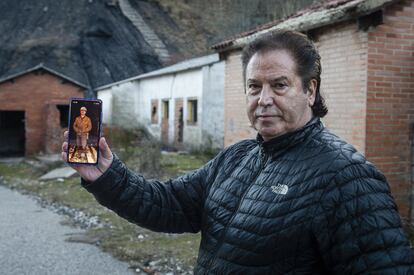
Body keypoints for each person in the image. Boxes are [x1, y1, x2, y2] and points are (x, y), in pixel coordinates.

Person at [62, 30, 414, 274]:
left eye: (279, 85)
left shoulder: (347, 177)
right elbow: (170, 205)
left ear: (310, 90)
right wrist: (107, 175)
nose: (263, 100)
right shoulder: (237, 157)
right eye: (253, 87)